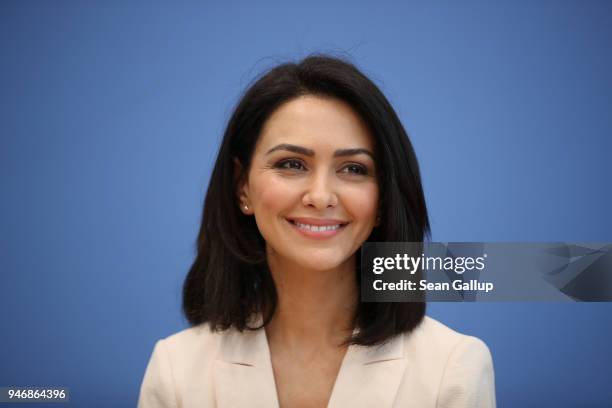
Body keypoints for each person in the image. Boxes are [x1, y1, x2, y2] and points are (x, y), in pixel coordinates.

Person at [137, 54, 496, 408]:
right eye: (291, 164)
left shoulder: (453, 370)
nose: (321, 196)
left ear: (383, 200)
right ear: (242, 187)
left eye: (354, 169)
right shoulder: (176, 372)